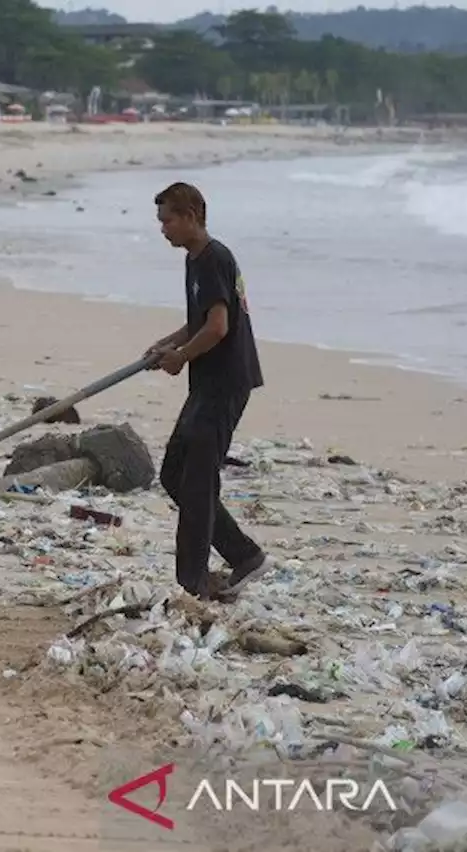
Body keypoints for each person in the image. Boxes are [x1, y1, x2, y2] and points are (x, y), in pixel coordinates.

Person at [145, 182, 266, 601]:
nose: (163, 230)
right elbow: (199, 322)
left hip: (225, 383)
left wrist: (181, 358)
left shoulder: (215, 258)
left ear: (192, 215)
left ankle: (192, 583)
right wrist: (169, 343)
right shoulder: (194, 260)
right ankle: (243, 553)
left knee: (197, 482)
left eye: (168, 220)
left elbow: (218, 328)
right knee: (175, 474)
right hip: (207, 383)